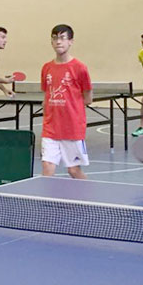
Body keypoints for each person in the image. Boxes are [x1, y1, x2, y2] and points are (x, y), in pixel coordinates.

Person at [40, 24, 92, 179]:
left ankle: (92, 199)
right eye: (55, 38)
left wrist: (72, 108)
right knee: (47, 167)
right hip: (50, 128)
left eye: (63, 38)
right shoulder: (46, 68)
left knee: (73, 170)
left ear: (71, 41)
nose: (58, 42)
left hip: (72, 128)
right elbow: (46, 95)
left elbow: (88, 97)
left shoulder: (80, 68)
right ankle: (46, 203)